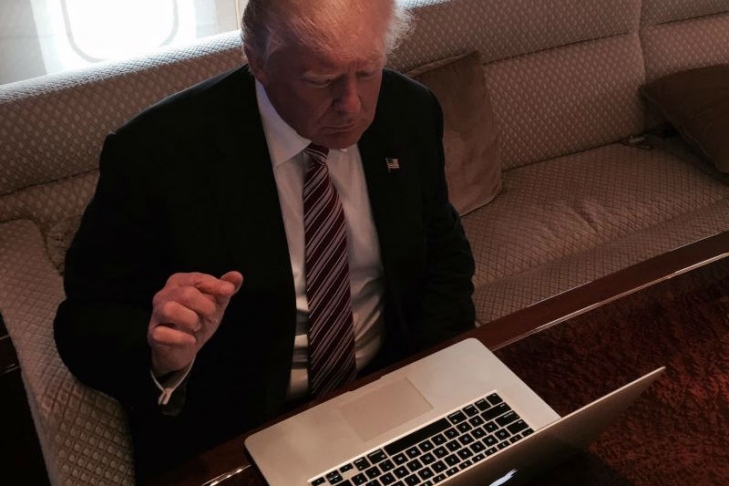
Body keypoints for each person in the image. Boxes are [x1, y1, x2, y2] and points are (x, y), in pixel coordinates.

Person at [53, 0, 476, 481]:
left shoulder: (411, 110)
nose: (352, 104)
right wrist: (162, 353)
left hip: (392, 390)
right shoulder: (156, 153)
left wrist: (441, 371)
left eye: (367, 71)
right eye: (320, 79)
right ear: (257, 60)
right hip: (244, 428)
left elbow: (443, 251)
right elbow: (83, 322)